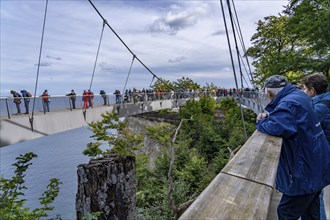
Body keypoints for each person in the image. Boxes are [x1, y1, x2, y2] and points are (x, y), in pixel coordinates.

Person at [256, 75, 330, 220]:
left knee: (286, 212)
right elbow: (289, 120)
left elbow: (276, 127)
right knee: (311, 213)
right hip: (316, 165)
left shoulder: (289, 104)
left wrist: (261, 121)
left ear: (269, 93)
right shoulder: (298, 96)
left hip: (305, 171)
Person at [301, 73, 330, 220]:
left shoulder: (319, 109)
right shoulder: (326, 101)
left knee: (314, 199)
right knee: (316, 197)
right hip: (325, 158)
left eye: (305, 89)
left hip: (319, 159)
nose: (304, 93)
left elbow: (301, 129)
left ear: (312, 90)